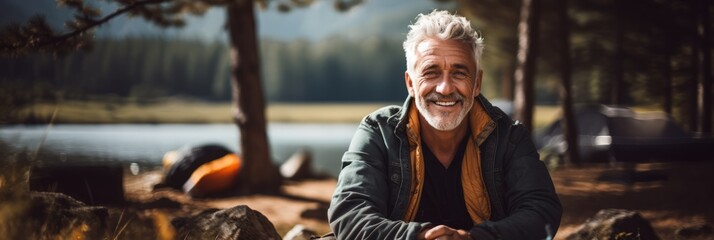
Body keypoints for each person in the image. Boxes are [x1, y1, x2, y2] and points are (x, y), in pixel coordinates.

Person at [327, 10, 562, 240]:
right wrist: (421, 236)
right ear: (410, 83)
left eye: (459, 73)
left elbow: (542, 211)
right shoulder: (379, 131)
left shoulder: (509, 136)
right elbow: (349, 214)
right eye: (431, 72)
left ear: (477, 83)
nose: (445, 88)